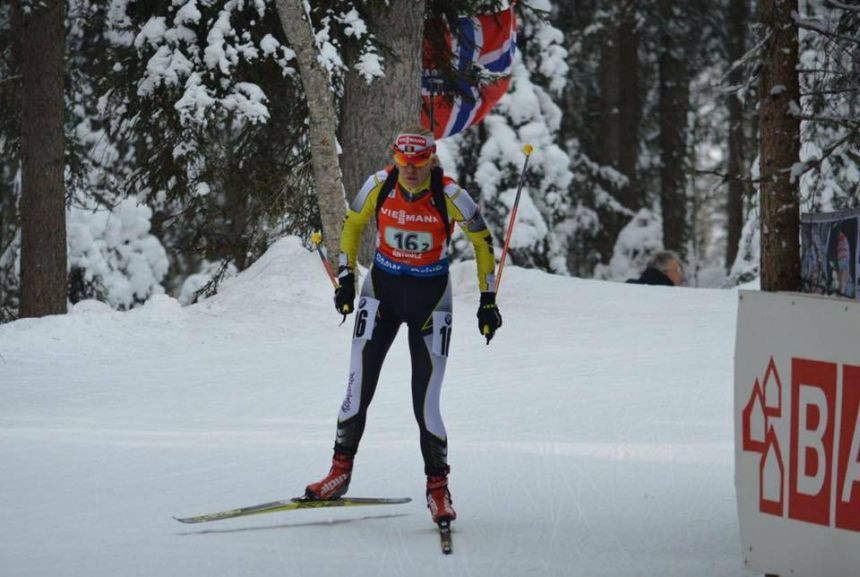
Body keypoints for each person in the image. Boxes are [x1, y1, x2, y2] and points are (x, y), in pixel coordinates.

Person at [304, 126, 502, 526]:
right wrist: (346, 277)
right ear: (394, 156)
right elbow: (353, 224)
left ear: (431, 158)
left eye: (419, 161)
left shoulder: (450, 194)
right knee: (357, 387)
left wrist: (487, 299)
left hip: (431, 302)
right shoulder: (378, 185)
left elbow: (483, 241)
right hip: (381, 294)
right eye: (403, 160)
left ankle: (437, 489)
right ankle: (339, 471)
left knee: (426, 403)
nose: (410, 169)